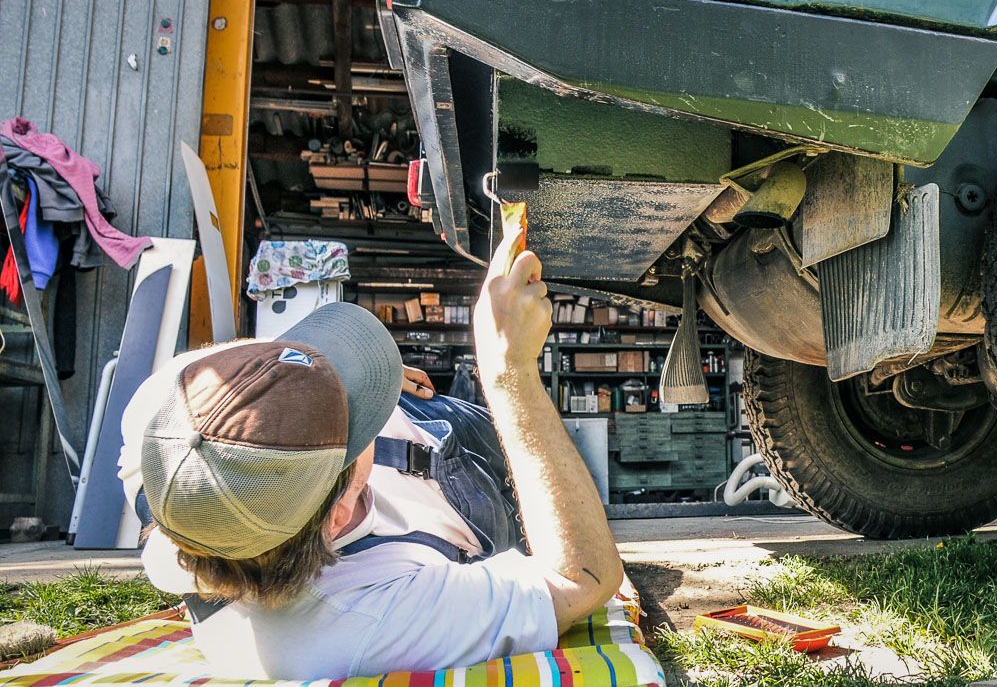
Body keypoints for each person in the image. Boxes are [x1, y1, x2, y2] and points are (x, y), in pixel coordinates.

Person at [115, 226, 623, 679]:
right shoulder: (343, 627)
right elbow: (583, 578)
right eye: (358, 423)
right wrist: (509, 373)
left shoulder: (171, 407)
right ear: (340, 514)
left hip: (431, 425)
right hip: (492, 500)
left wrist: (349, 374)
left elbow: (256, 373)